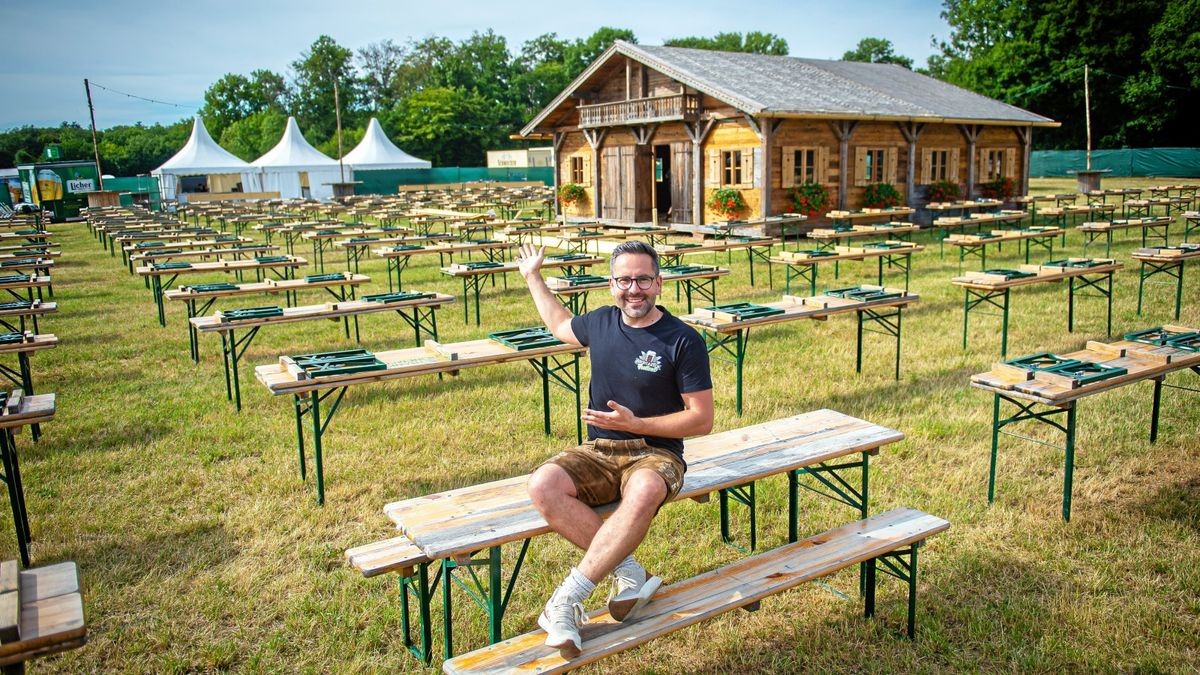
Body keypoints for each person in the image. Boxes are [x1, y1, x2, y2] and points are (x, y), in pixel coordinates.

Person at [516, 240, 714, 657]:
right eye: (624, 280)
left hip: (657, 453)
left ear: (659, 283)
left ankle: (566, 600)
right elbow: (559, 325)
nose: (634, 289)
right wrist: (533, 276)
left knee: (642, 490)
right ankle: (629, 571)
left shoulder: (683, 340)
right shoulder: (601, 322)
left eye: (643, 279)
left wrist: (636, 424)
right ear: (611, 285)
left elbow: (701, 418)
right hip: (600, 450)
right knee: (543, 485)